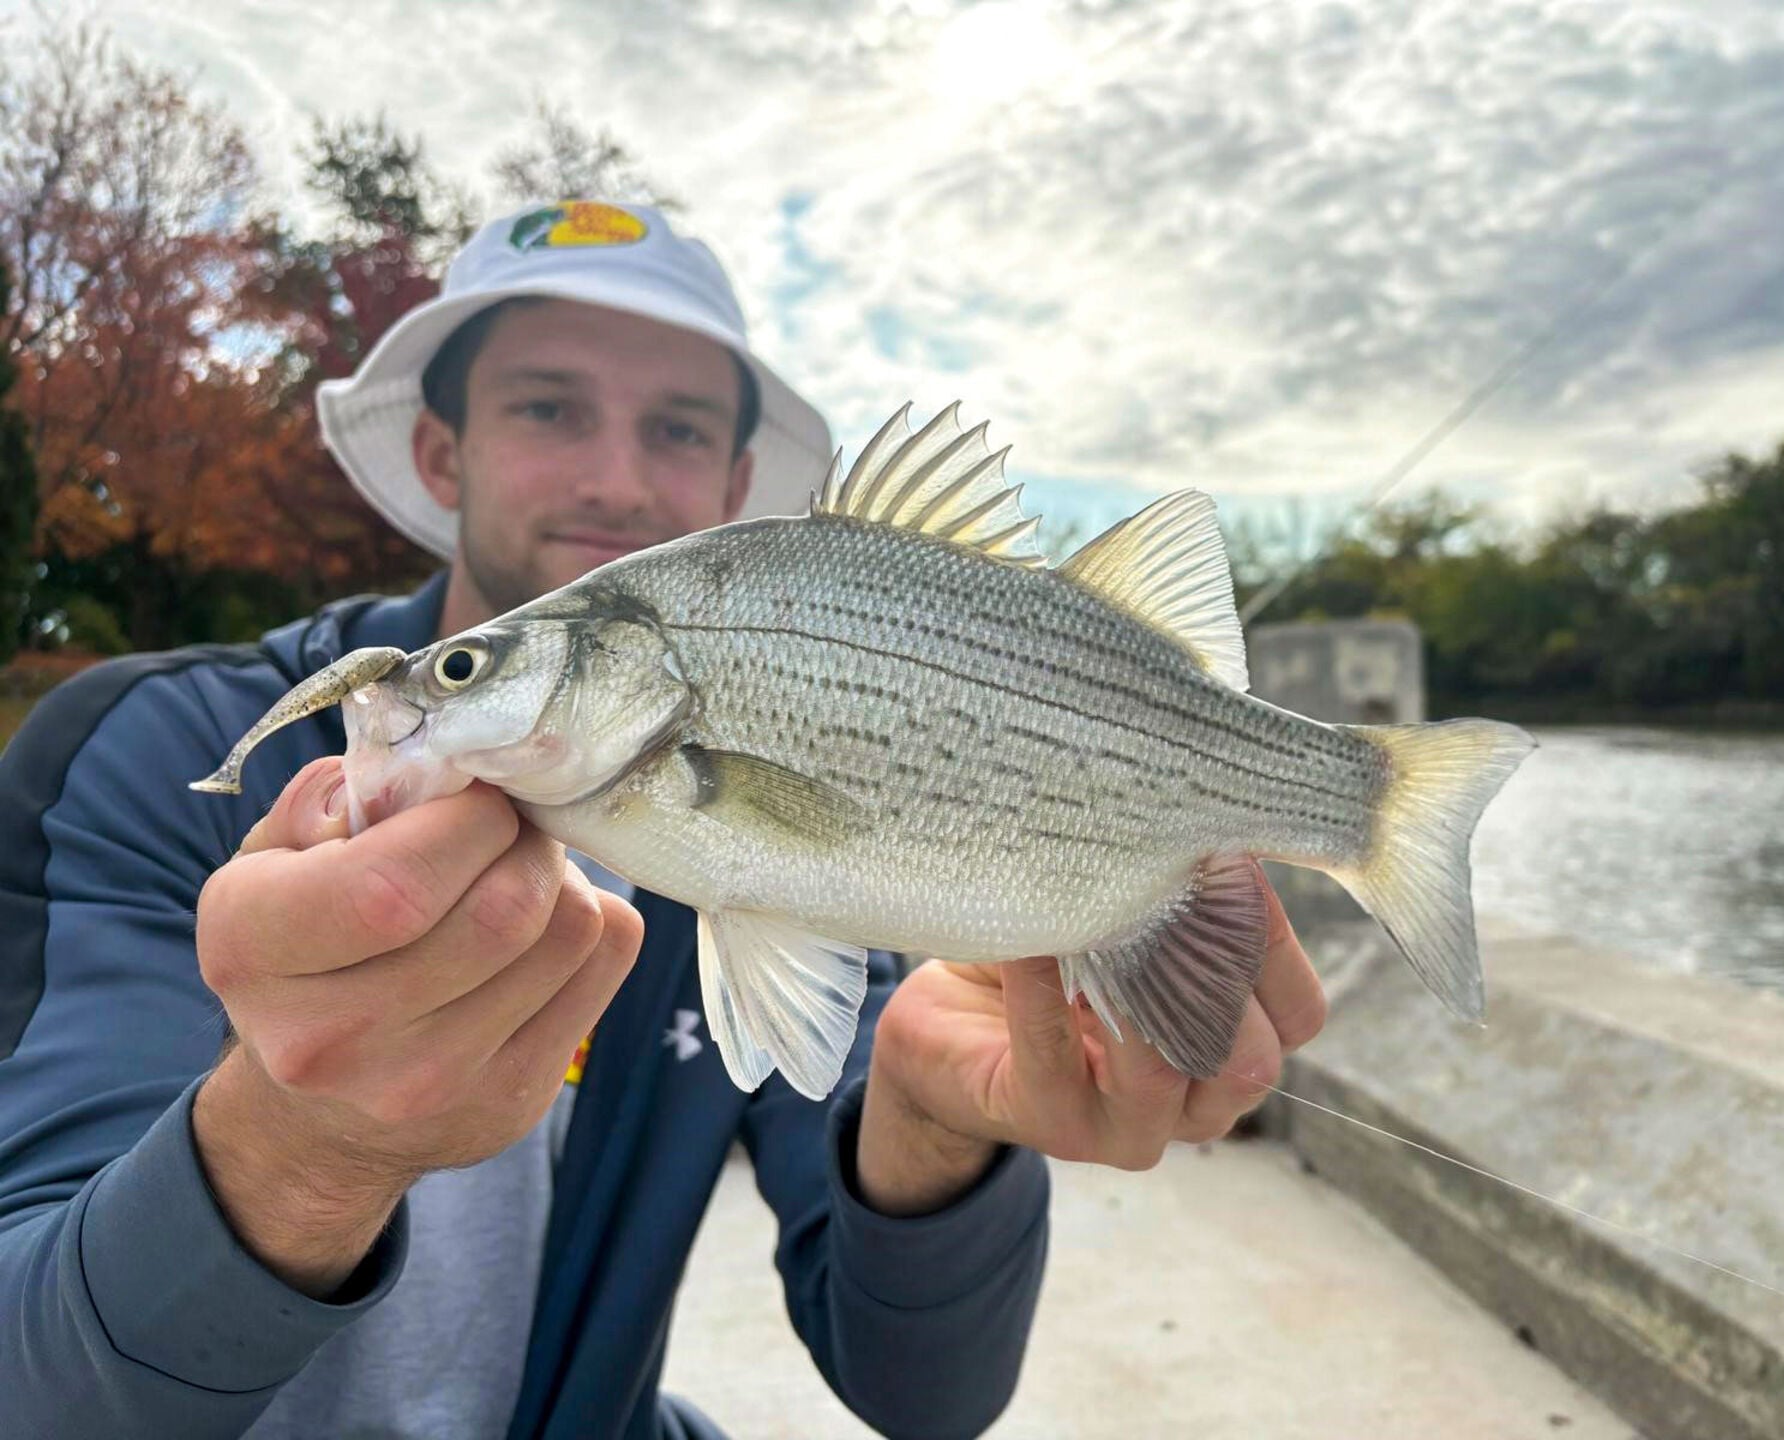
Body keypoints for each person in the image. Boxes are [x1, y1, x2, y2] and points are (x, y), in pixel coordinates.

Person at [0, 199, 1326, 1439]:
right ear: (439, 449)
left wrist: (932, 1131)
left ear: (740, 477)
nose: (620, 480)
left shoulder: (788, 861)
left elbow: (924, 1401)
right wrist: (298, 1152)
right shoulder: (144, 759)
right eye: (550, 406)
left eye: (681, 428)